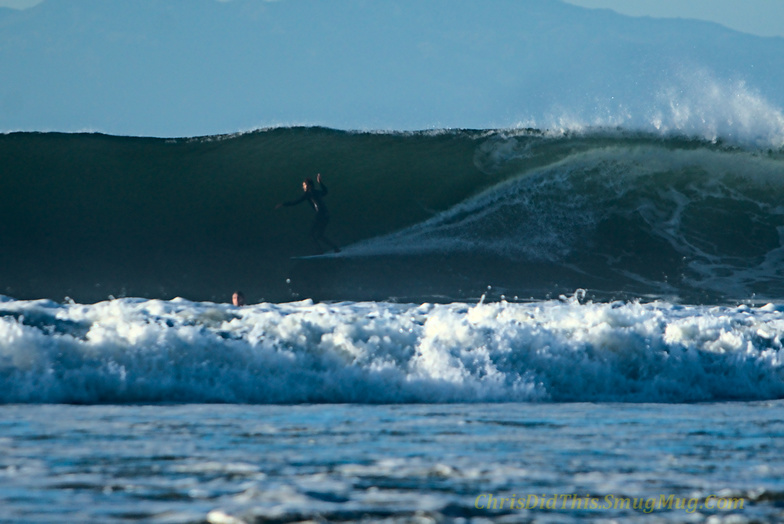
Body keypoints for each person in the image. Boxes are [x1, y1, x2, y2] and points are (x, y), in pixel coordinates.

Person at [276, 173, 340, 253]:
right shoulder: (317, 192)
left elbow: (296, 202)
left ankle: (320, 251)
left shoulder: (308, 193)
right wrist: (320, 182)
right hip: (326, 215)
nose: (303, 187)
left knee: (310, 235)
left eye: (304, 185)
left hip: (320, 215)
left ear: (309, 186)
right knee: (320, 235)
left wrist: (283, 204)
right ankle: (335, 248)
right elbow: (325, 191)